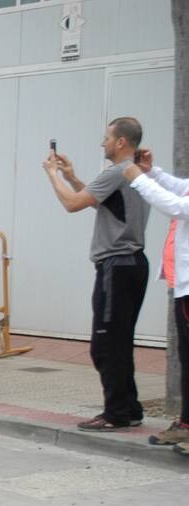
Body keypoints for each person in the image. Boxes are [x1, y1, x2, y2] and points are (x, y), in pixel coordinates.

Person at [44, 117, 151, 430]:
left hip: (116, 267)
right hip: (132, 265)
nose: (102, 143)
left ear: (121, 142)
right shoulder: (136, 173)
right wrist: (72, 176)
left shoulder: (117, 171)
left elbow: (73, 204)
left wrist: (54, 176)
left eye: (107, 138)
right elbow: (101, 203)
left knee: (105, 345)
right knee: (120, 340)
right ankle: (129, 408)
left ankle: (115, 412)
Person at [121, 149, 189, 450]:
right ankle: (186, 424)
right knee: (186, 359)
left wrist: (138, 179)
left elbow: (176, 206)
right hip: (183, 287)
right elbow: (181, 188)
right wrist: (152, 172)